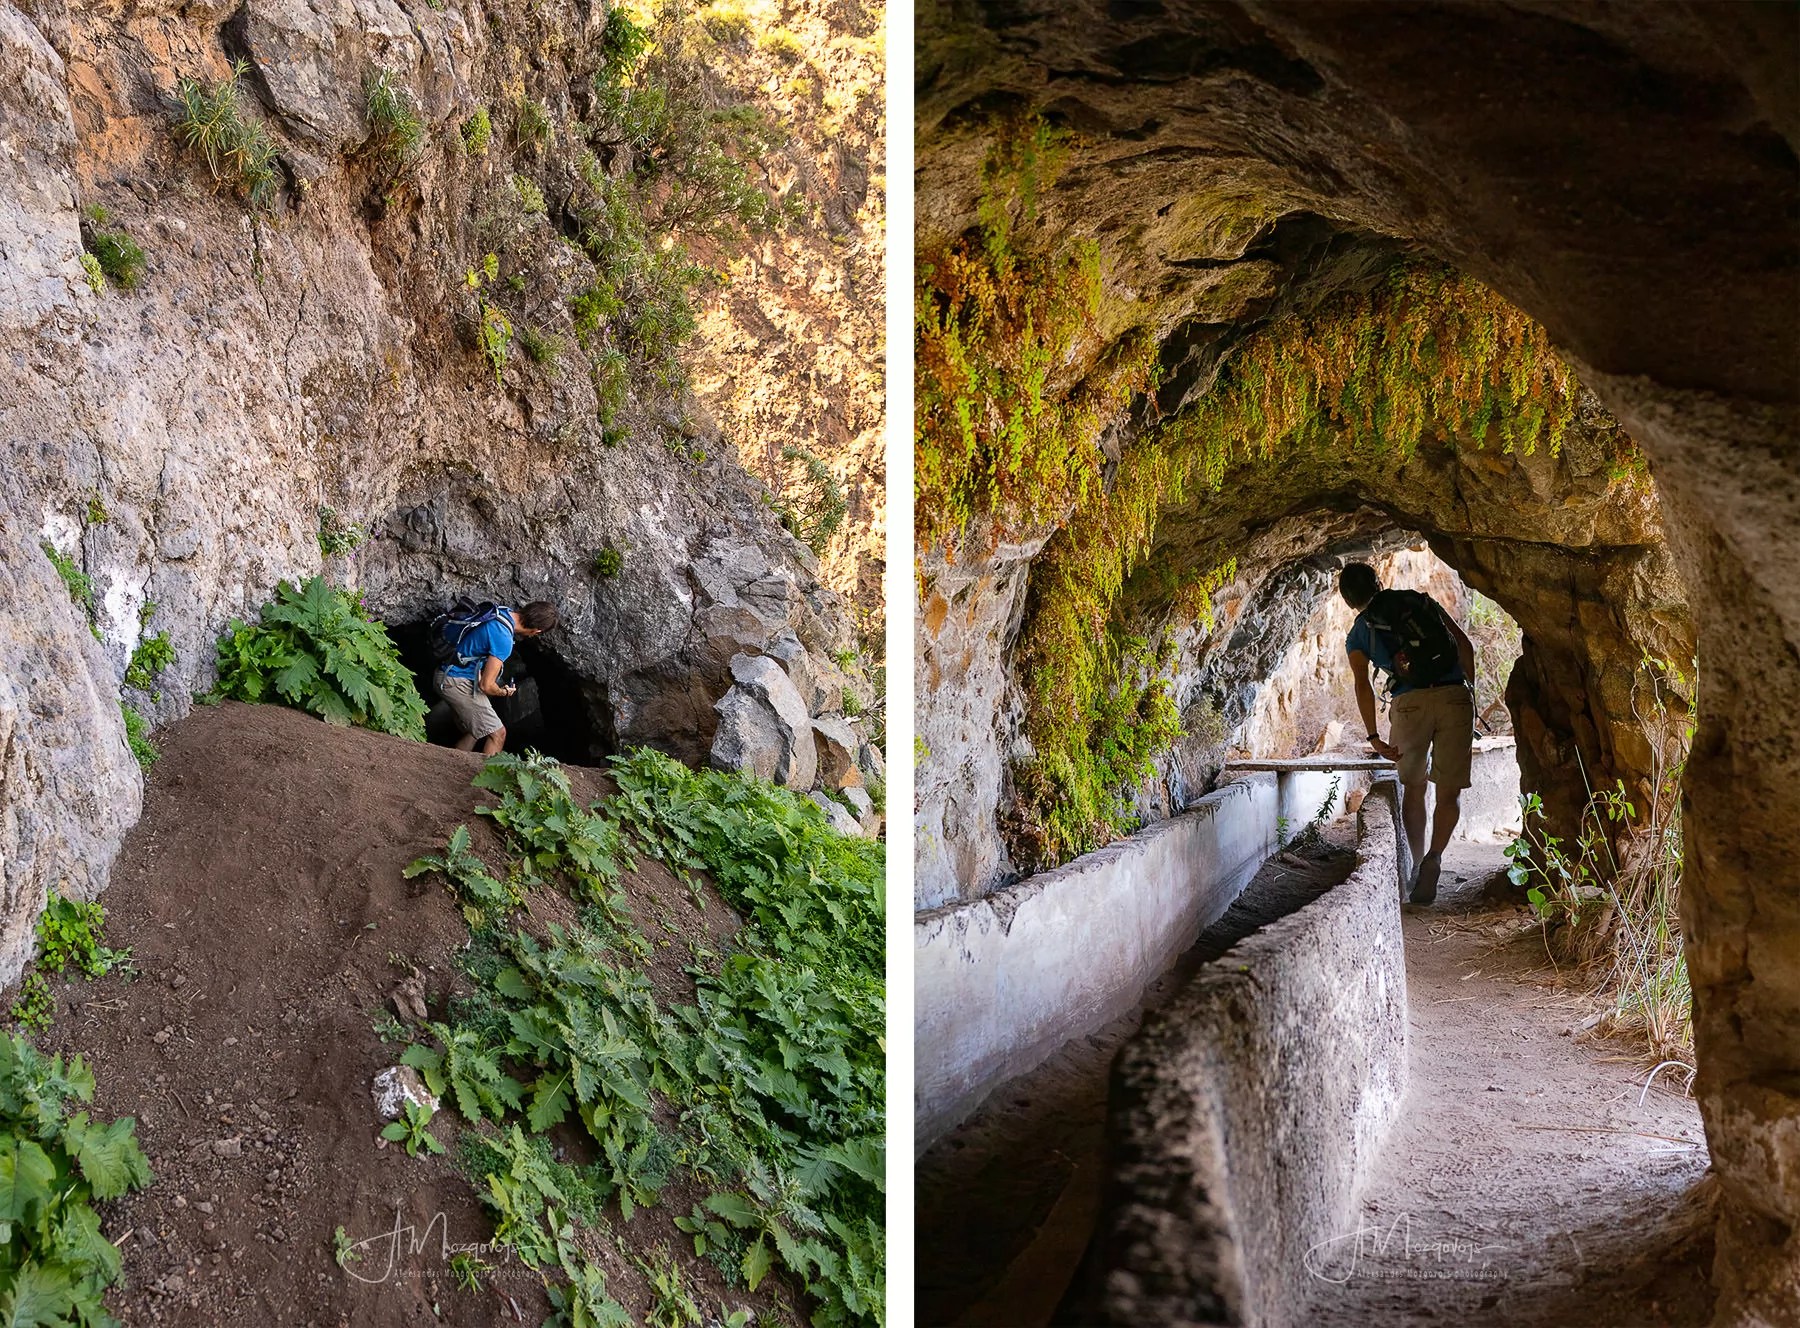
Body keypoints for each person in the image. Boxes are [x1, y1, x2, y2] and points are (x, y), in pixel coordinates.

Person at [1339, 563, 1475, 904]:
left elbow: (1362, 683)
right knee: (1449, 793)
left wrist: (1374, 736)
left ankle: (1416, 863)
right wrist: (1468, 695)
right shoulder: (1419, 602)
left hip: (1408, 704)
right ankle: (1435, 858)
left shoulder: (1359, 632)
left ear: (1347, 600)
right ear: (1379, 582)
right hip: (1453, 696)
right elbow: (1465, 646)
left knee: (1413, 790)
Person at [435, 600, 559, 755]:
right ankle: (486, 777)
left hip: (448, 672)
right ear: (537, 631)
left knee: (475, 730)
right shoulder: (503, 639)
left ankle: (452, 764)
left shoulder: (501, 611)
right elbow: (486, 685)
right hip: (455, 681)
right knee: (498, 734)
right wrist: (503, 692)